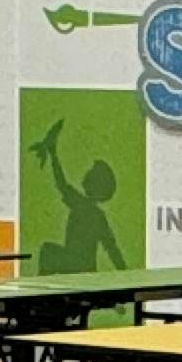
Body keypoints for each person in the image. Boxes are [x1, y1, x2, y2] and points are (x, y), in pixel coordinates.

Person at [28, 115, 127, 273]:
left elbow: (111, 248)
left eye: (90, 173)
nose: (85, 174)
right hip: (80, 265)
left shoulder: (85, 207)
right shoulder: (88, 208)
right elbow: (111, 248)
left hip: (78, 267)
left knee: (47, 251)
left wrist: (53, 154)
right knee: (48, 251)